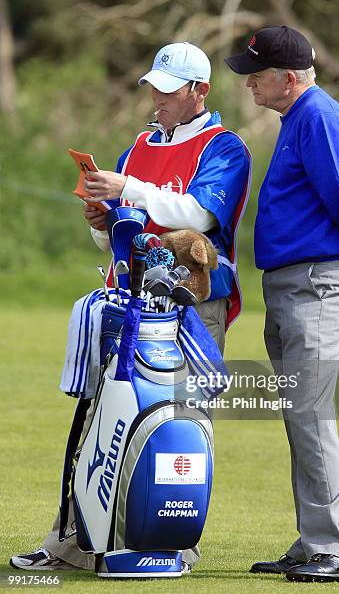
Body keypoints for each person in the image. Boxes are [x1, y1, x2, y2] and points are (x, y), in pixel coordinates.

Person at [11, 41, 251, 574]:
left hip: (190, 306)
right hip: (128, 300)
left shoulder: (225, 147)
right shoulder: (139, 144)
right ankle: (75, 543)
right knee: (100, 420)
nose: (157, 99)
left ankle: (169, 541)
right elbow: (126, 231)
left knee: (176, 424)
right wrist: (104, 222)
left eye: (168, 91)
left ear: (199, 92)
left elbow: (199, 215)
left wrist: (130, 189)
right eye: (154, 89)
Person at [225, 25, 339, 583]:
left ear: (288, 79)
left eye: (257, 76)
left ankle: (331, 551)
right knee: (301, 414)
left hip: (317, 283)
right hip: (294, 285)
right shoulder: (301, 118)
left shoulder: (317, 117)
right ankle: (311, 539)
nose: (249, 85)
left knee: (312, 412)